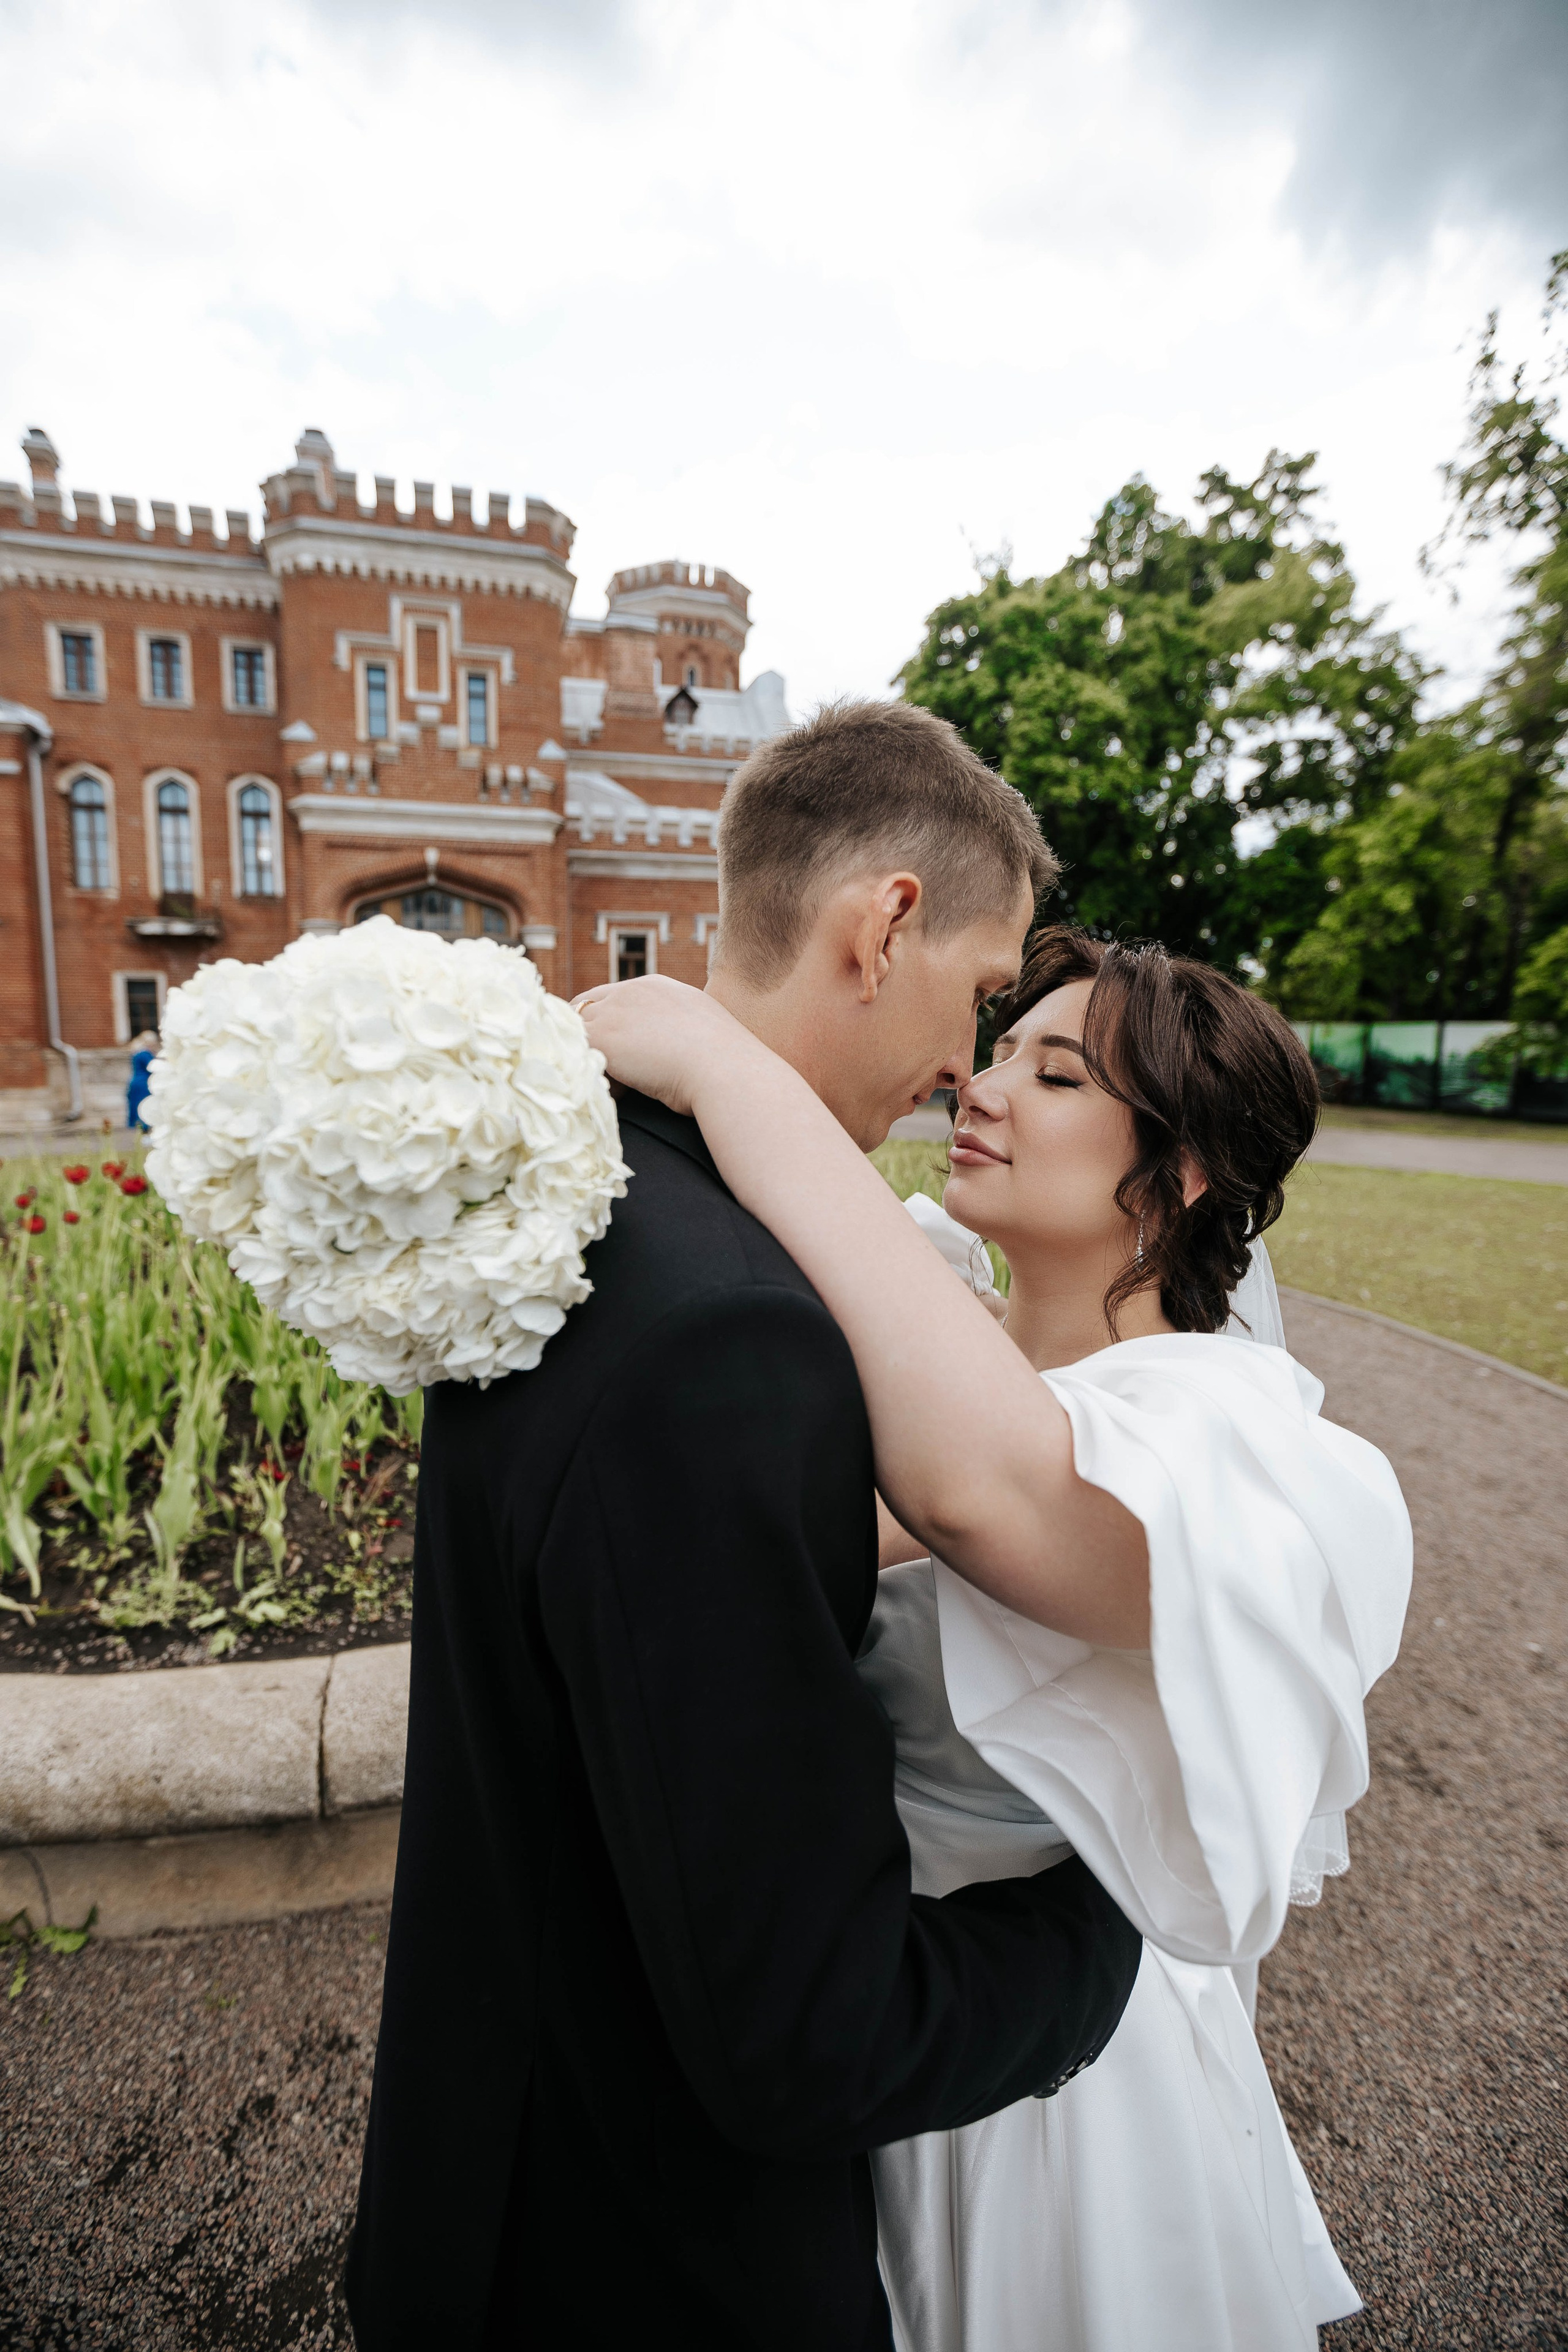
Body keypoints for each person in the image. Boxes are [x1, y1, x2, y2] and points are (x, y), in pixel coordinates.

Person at [345, 704, 1143, 2352]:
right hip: (631, 2266)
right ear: (889, 923)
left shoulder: (576, 1203)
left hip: (489, 2161)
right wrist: (1101, 1937)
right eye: (985, 996)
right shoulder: (736, 1335)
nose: (967, 1067)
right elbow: (806, 2036)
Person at [578, 921, 1414, 2352]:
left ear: (1185, 1168)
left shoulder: (1229, 1447)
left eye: (1056, 1072)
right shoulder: (903, 1309)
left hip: (1032, 2072)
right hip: (824, 2011)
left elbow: (973, 1495)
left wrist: (727, 1068)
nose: (977, 1082)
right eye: (996, 1043)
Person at [126, 1030, 157, 1131]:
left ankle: (141, 1131)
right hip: (143, 1084)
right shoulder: (145, 1054)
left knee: (137, 1106)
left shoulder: (137, 1052)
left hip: (136, 1083)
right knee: (144, 1107)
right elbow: (153, 1067)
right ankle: (145, 1130)